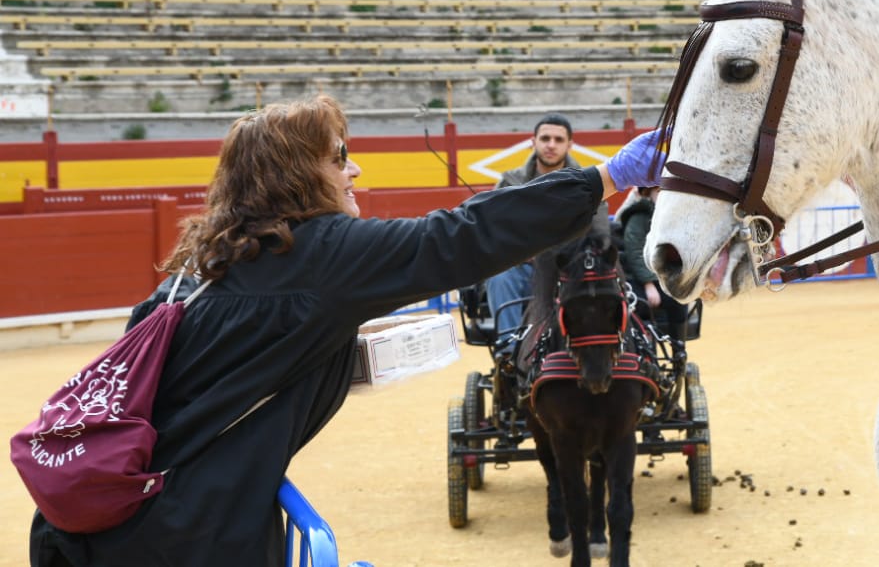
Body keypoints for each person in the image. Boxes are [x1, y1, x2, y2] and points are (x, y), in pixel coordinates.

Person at [26, 95, 663, 566]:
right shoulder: (321, 252)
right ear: (299, 176)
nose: (355, 172)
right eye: (340, 158)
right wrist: (607, 177)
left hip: (98, 529)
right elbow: (458, 238)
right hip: (184, 537)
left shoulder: (212, 259)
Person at [482, 114, 611, 352]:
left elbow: (601, 235)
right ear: (533, 141)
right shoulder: (510, 182)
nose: (551, 144)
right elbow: (494, 230)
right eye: (545, 138)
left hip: (570, 270)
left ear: (569, 145)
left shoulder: (589, 183)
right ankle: (509, 353)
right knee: (500, 277)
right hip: (523, 267)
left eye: (558, 139)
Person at [616, 186, 687, 365]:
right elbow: (635, 253)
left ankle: (679, 350)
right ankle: (648, 356)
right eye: (659, 192)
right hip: (637, 280)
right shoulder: (638, 218)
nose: (664, 197)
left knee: (679, 301)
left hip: (664, 278)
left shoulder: (678, 219)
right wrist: (649, 284)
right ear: (648, 194)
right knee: (640, 305)